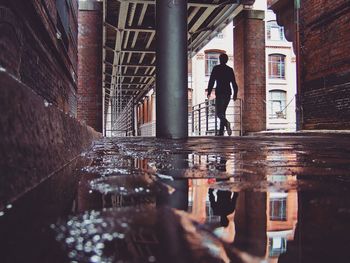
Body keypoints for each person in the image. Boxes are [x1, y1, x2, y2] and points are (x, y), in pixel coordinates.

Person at [207, 53, 238, 136]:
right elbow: (234, 83)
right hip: (228, 93)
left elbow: (211, 81)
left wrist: (209, 91)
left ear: (220, 60)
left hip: (220, 92)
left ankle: (226, 123)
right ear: (227, 60)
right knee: (223, 112)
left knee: (218, 113)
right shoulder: (229, 70)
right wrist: (235, 93)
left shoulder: (216, 68)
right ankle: (221, 132)